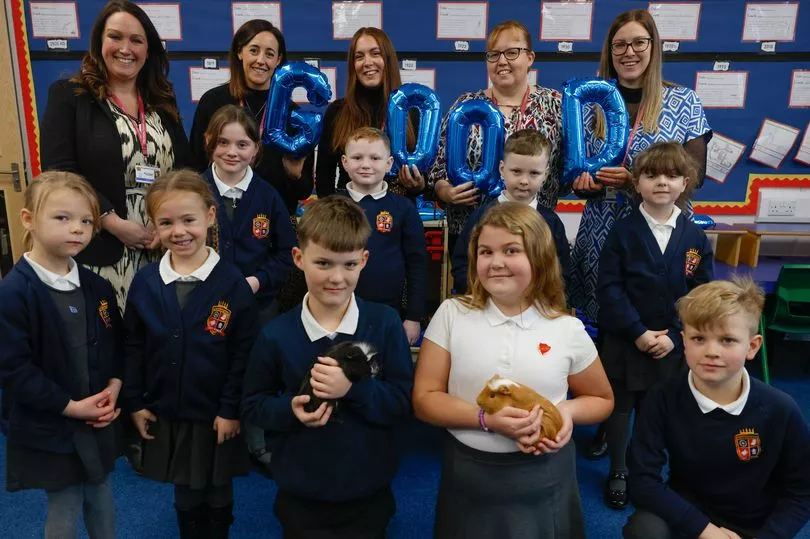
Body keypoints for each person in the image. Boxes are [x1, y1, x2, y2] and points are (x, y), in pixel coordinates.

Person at [413, 203, 614, 539]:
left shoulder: (566, 328)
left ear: (538, 258)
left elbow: (601, 398)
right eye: (486, 251)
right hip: (469, 471)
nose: (496, 262)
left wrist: (566, 412)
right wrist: (485, 420)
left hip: (544, 473)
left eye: (511, 250)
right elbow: (424, 399)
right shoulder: (452, 314)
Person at [569, 9, 712, 461]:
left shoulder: (683, 101)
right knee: (606, 327)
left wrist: (637, 178)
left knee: (659, 322)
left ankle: (653, 431)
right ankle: (607, 420)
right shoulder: (588, 101)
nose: (628, 53)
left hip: (662, 232)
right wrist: (580, 180)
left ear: (654, 48)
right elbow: (566, 168)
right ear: (608, 53)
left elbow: (698, 174)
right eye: (619, 45)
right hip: (600, 230)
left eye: (638, 43)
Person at [242, 196, 414, 538]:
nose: (337, 277)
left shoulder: (384, 323)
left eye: (349, 265)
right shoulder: (276, 334)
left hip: (368, 490)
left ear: (364, 260)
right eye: (323, 263)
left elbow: (401, 403)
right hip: (300, 492)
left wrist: (354, 389)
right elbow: (252, 405)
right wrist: (290, 411)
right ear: (298, 258)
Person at [122, 170, 257, 538]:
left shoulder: (232, 283)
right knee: (184, 487)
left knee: (217, 487)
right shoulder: (146, 283)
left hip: (216, 413)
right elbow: (133, 346)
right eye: (166, 223)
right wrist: (134, 401)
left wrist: (230, 408)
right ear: (154, 225)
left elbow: (244, 353)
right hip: (169, 410)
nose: (178, 231)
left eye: (188, 220)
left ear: (210, 217)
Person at [624, 278, 810, 539]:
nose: (711, 351)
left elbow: (801, 492)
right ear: (684, 341)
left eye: (727, 340)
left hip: (754, 526)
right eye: (699, 338)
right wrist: (705, 531)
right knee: (644, 530)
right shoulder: (662, 398)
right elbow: (642, 480)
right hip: (689, 517)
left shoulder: (780, 409)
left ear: (752, 346)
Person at [40, 0, 189, 311]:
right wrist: (112, 222)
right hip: (101, 246)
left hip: (163, 247)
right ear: (99, 43)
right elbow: (60, 173)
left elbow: (186, 170)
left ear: (149, 51)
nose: (126, 48)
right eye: (115, 37)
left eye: (137, 40)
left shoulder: (162, 101)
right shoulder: (70, 96)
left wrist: (169, 226)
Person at [0, 171, 123, 538]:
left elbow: (115, 343)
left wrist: (115, 386)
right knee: (66, 502)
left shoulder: (97, 286)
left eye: (86, 220)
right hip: (52, 423)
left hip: (96, 419)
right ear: (28, 220)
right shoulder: (14, 294)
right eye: (62, 218)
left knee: (101, 497)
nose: (78, 229)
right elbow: (13, 369)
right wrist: (71, 407)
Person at [597, 141, 714, 510]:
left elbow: (702, 293)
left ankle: (644, 469)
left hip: (670, 343)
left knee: (655, 411)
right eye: (651, 175)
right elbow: (610, 288)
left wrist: (678, 336)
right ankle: (618, 469)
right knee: (619, 408)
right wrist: (638, 332)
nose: (661, 182)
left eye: (671, 175)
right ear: (637, 183)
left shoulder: (694, 236)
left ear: (685, 182)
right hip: (625, 340)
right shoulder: (623, 231)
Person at [427, 20, 566, 255]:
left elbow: (566, 170)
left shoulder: (555, 105)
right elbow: (437, 169)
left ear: (530, 57)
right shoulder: (465, 106)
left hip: (534, 232)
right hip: (472, 233)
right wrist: (445, 191)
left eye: (512, 52)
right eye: (494, 54)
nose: (502, 61)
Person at [189, 19, 314, 218]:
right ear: (240, 52)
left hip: (274, 222)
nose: (261, 60)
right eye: (254, 50)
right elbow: (194, 167)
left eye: (270, 54)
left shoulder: (294, 115)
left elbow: (304, 191)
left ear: (279, 60)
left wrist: (294, 175)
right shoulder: (213, 102)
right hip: (221, 218)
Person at [202, 104, 296, 324]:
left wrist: (259, 280)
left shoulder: (268, 197)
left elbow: (286, 252)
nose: (232, 152)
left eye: (242, 144)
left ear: (255, 148)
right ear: (209, 141)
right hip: (203, 302)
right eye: (223, 142)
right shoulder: (194, 192)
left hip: (258, 304)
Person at [451, 129, 569, 295]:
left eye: (534, 173)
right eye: (516, 171)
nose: (524, 181)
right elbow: (462, 264)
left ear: (546, 174)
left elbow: (561, 272)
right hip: (486, 307)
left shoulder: (551, 222)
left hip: (535, 309)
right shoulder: (481, 217)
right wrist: (484, 295)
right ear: (502, 168)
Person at [338, 127, 427, 344]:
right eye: (357, 157)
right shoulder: (332, 205)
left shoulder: (403, 208)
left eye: (375, 158)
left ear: (389, 164)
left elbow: (417, 263)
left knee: (387, 368)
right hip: (337, 310)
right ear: (344, 162)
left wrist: (413, 317)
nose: (366, 164)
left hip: (389, 310)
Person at [316, 27, 424, 200]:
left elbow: (425, 184)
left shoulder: (412, 112)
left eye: (375, 53)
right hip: (350, 219)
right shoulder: (337, 112)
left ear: (387, 60)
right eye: (359, 56)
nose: (367, 62)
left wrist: (419, 185)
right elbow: (324, 180)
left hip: (398, 218)